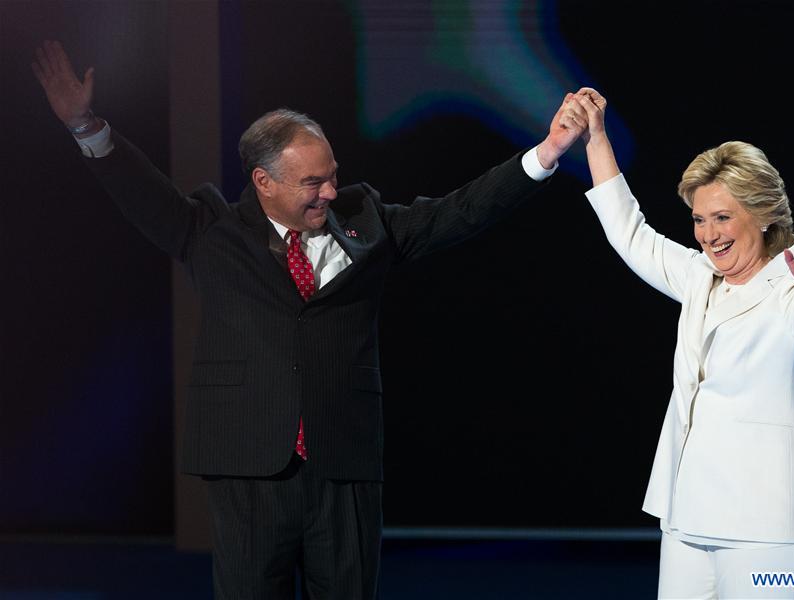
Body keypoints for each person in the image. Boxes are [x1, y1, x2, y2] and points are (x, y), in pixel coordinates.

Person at [31, 40, 588, 599]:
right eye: (311, 183)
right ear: (263, 182)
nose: (329, 191)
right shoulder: (211, 234)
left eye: (331, 175)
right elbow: (142, 194)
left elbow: (459, 211)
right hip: (248, 467)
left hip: (342, 465)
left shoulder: (366, 223)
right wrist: (84, 125)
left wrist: (546, 152)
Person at [567, 88, 794, 599]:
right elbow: (630, 233)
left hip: (771, 519)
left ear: (762, 216)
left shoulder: (793, 283)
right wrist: (596, 139)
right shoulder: (699, 277)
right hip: (688, 511)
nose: (708, 235)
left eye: (722, 217)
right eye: (699, 219)